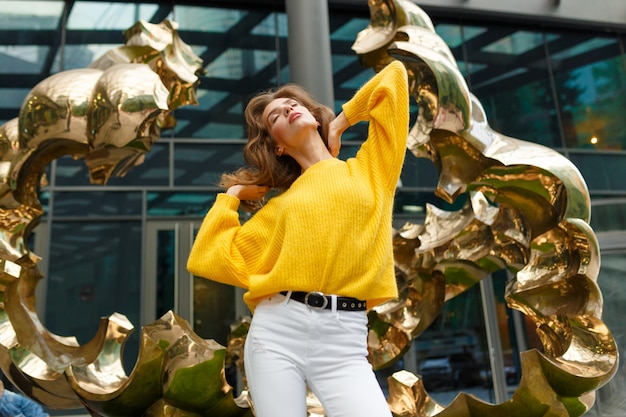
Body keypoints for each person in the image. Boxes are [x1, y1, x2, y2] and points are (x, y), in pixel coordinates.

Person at [187, 60, 409, 417]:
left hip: (345, 338)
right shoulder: (280, 209)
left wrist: (340, 121)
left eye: (294, 105)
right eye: (275, 116)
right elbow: (209, 256)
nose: (288, 108)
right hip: (278, 331)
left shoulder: (371, 169)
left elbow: (394, 79)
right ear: (277, 147)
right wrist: (231, 198)